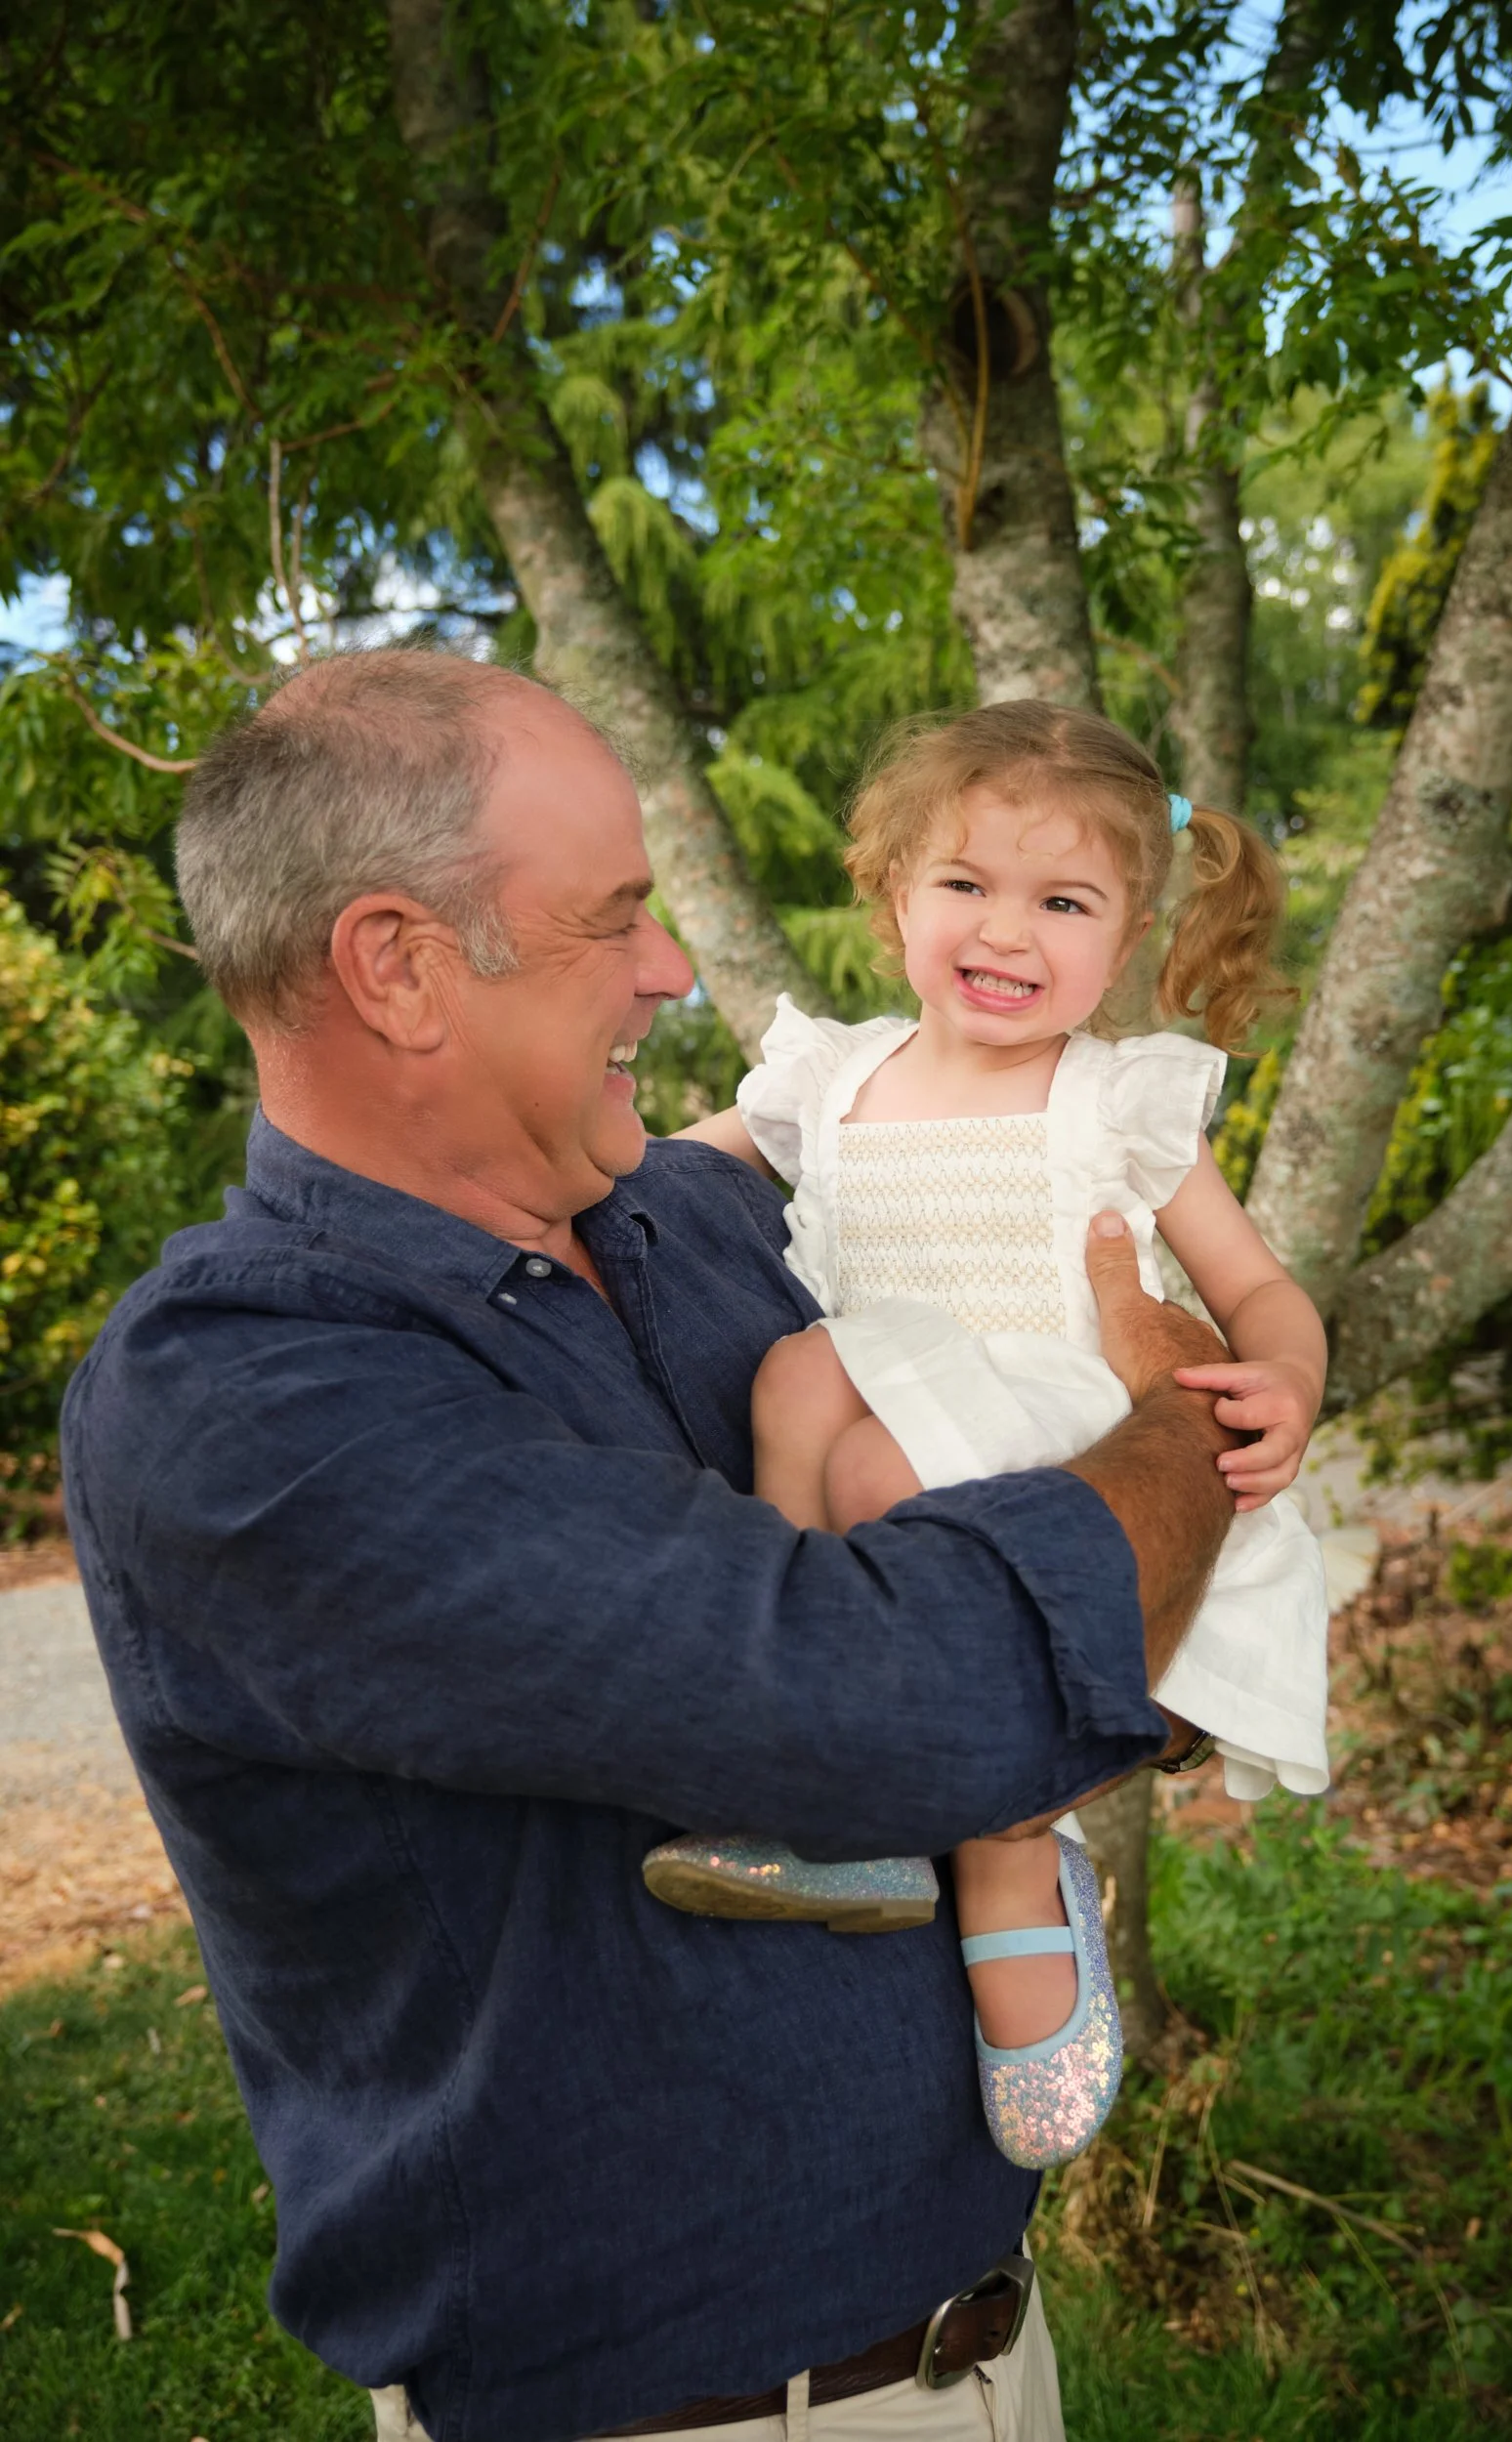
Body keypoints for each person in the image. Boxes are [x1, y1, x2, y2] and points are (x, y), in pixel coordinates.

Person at [61, 650, 1245, 2442]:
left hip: (981, 2359)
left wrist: (1111, 1614)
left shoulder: (689, 1227)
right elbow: (918, 1699)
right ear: (398, 966)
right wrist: (1181, 1441)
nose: (672, 967)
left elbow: (1027, 1550)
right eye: (611, 918)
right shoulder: (245, 1396)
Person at [644, 703, 1330, 2168]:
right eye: (964, 885)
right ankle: (798, 1740)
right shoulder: (826, 1081)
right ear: (891, 894)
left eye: (1061, 901)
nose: (1004, 931)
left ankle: (1015, 1852)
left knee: (872, 1446)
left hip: (1053, 1446)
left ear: (1129, 931)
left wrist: (1285, 1375)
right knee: (798, 1374)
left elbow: (1255, 1282)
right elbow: (650, 1176)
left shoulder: (1113, 1101)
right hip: (858, 1423)